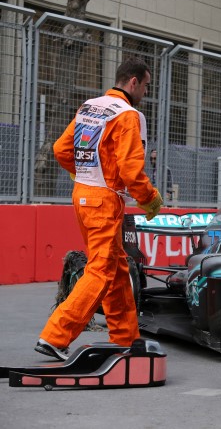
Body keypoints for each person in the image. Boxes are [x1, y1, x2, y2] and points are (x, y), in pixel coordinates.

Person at [35, 56, 163, 361]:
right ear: (133, 82)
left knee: (117, 269)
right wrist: (150, 200)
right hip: (104, 201)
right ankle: (55, 336)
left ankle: (125, 337)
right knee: (101, 270)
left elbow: (61, 149)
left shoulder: (89, 107)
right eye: (146, 85)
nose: (146, 91)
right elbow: (132, 171)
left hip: (83, 195)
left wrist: (82, 173)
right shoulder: (127, 115)